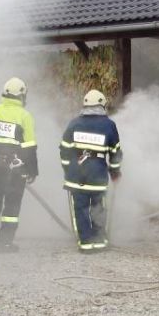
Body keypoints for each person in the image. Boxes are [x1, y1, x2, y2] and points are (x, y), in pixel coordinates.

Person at [0, 77, 38, 253]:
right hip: (15, 170)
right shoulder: (24, 116)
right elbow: (29, 147)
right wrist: (32, 171)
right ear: (21, 96)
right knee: (11, 205)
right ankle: (5, 244)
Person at [59, 89, 123, 252]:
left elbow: (64, 150)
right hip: (97, 177)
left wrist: (68, 169)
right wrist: (115, 172)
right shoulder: (109, 125)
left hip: (76, 177)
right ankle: (100, 241)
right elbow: (115, 152)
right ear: (102, 105)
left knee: (80, 210)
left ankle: (85, 243)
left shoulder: (74, 123)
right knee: (98, 208)